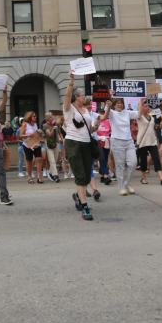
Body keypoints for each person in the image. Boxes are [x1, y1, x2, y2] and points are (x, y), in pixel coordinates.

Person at [64, 72, 101, 221]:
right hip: (73, 143)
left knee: (86, 175)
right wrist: (71, 81)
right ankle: (85, 208)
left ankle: (78, 196)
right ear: (76, 97)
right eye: (82, 95)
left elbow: (89, 129)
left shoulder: (86, 111)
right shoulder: (69, 108)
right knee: (80, 175)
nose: (84, 97)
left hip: (86, 143)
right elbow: (67, 97)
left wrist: (96, 126)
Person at [96, 97, 139, 196]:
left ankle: (126, 183)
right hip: (117, 141)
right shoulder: (111, 112)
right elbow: (106, 115)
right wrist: (108, 104)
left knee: (133, 163)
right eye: (117, 103)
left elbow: (139, 113)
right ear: (114, 105)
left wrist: (141, 102)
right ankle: (121, 187)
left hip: (129, 141)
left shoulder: (127, 113)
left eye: (121, 103)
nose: (120, 105)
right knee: (120, 166)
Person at [135, 100, 162, 185]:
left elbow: (159, 127)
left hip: (152, 142)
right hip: (143, 142)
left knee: (156, 159)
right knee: (144, 162)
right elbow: (138, 112)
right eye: (145, 106)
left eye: (147, 106)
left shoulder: (152, 118)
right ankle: (143, 178)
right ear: (142, 108)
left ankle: (161, 179)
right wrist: (141, 102)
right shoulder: (139, 117)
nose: (147, 107)